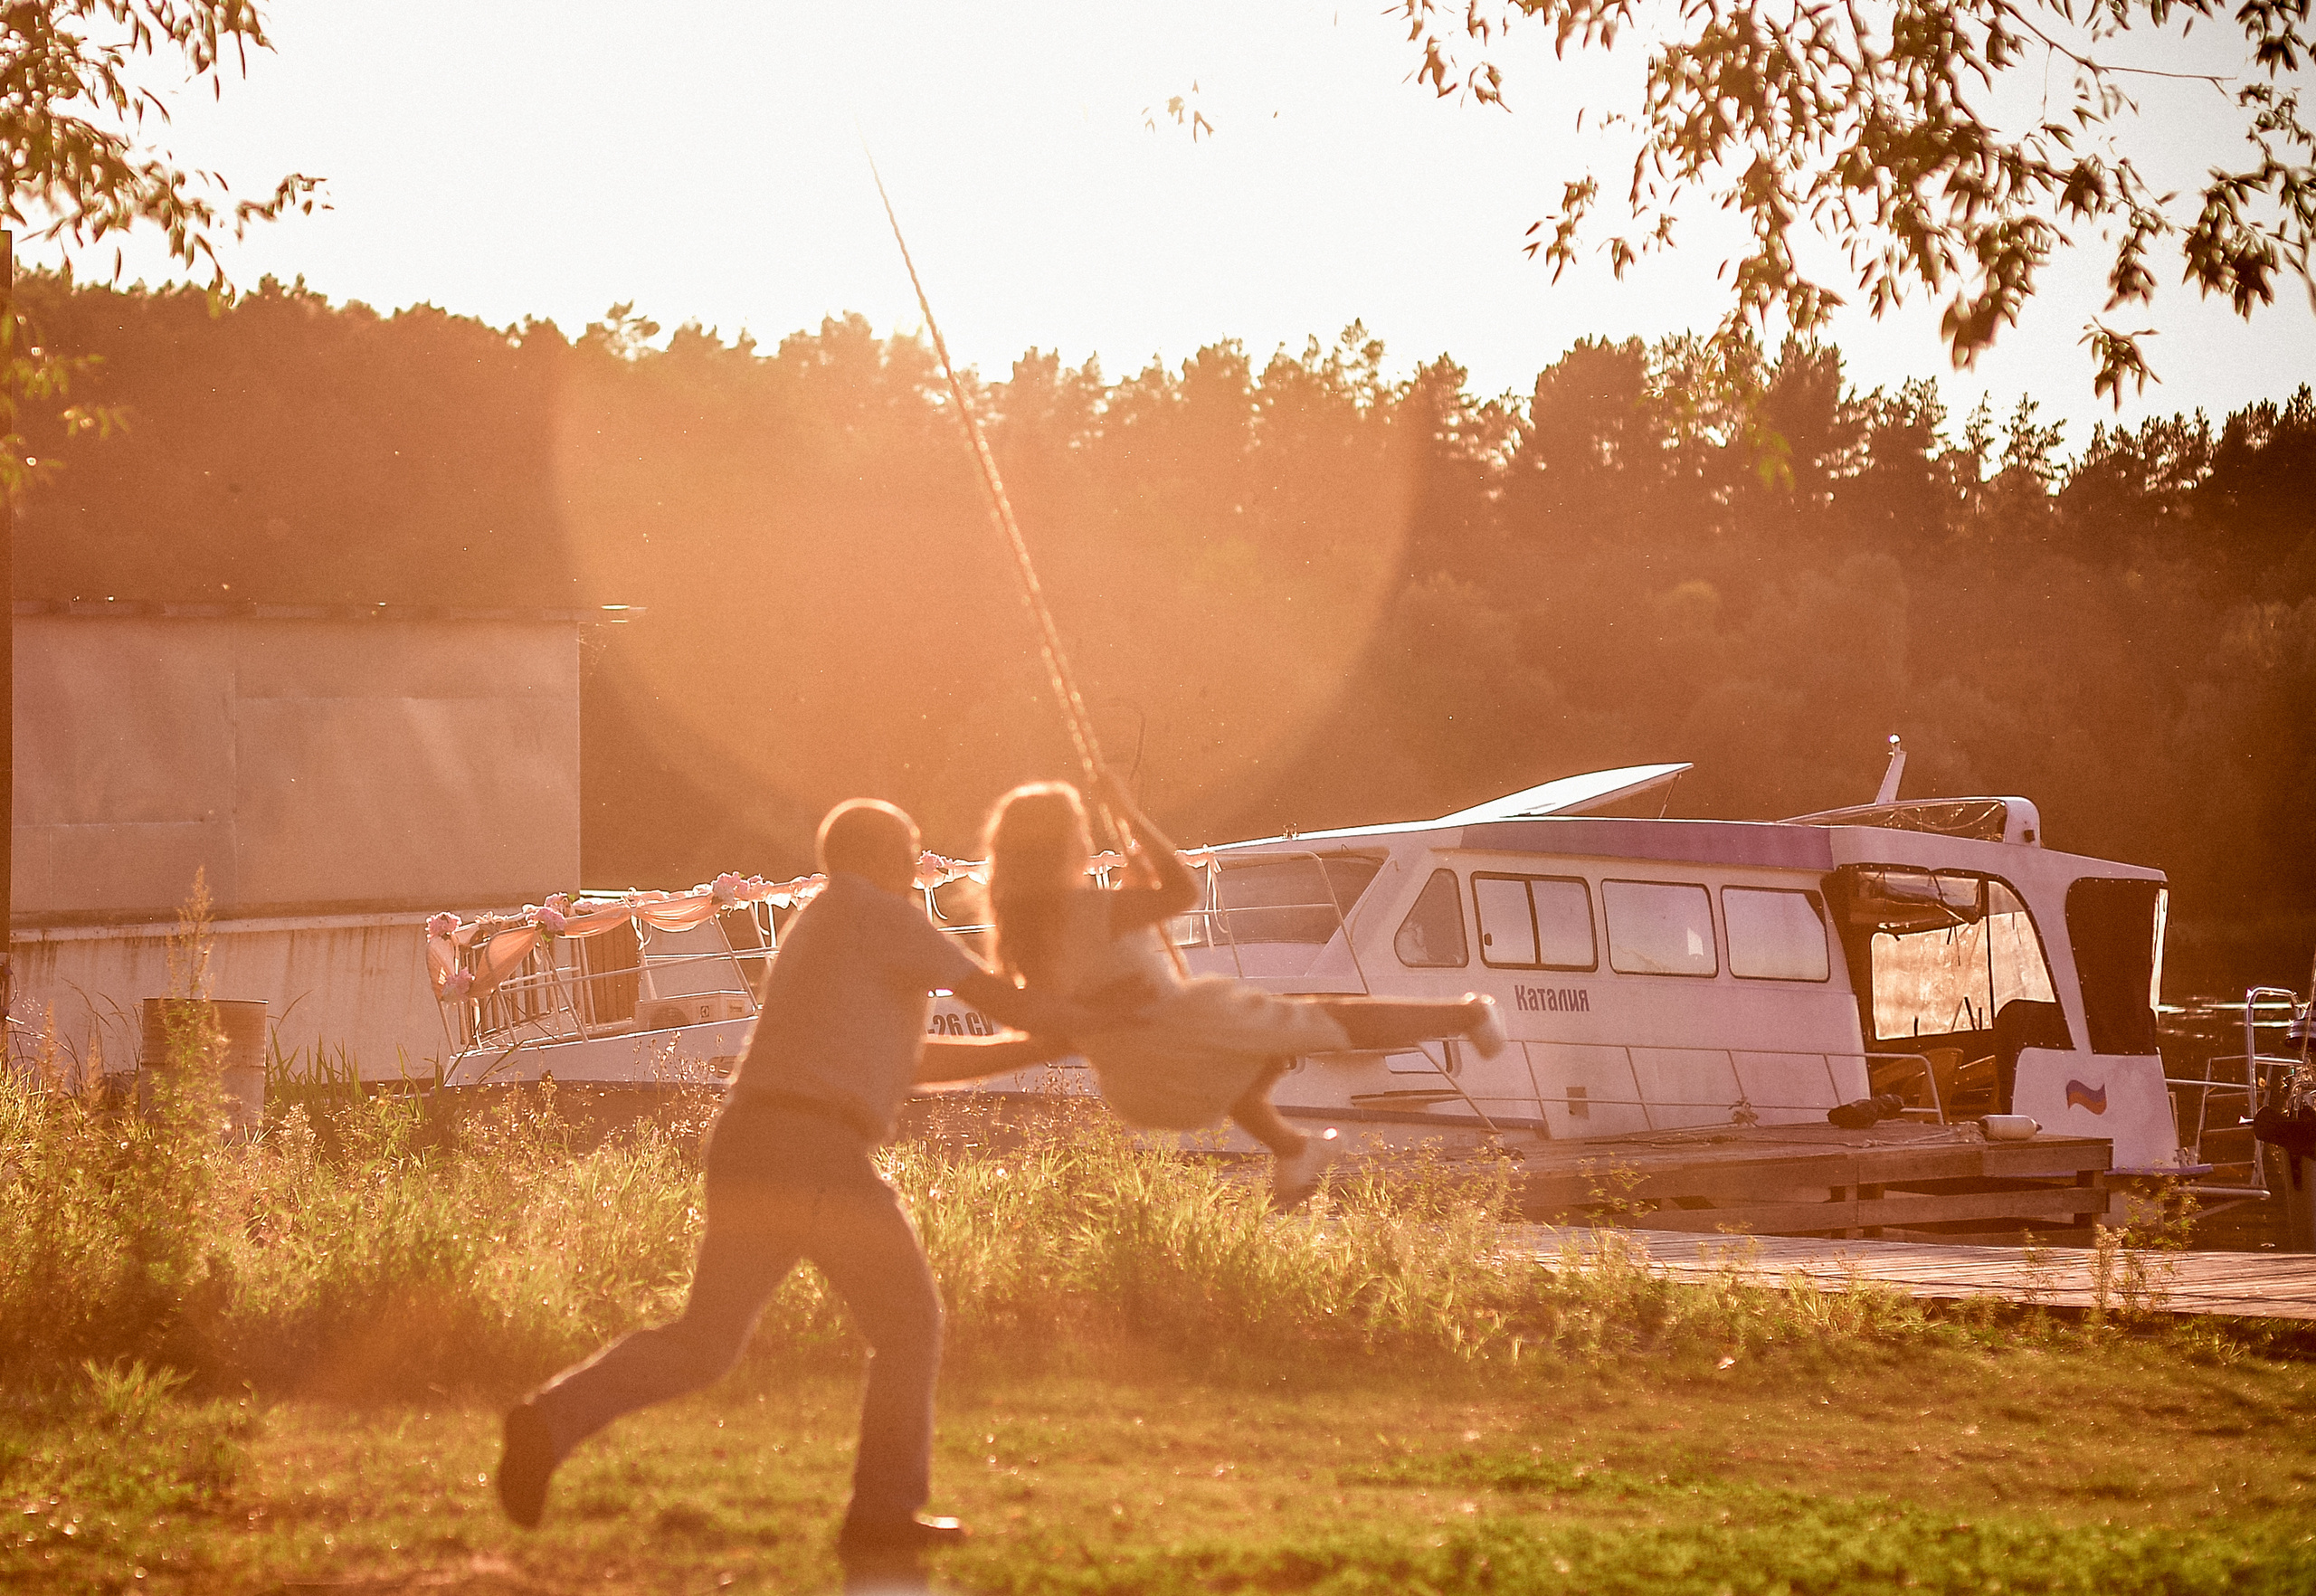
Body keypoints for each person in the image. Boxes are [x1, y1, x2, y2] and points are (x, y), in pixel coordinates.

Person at [496, 798, 1113, 1559]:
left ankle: (549, 1419)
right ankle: (882, 1514)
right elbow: (1003, 1000)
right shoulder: (880, 914)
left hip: (754, 1139)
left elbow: (912, 1062)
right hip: (815, 1147)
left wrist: (1042, 1042)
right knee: (909, 1324)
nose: (914, 862)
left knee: (707, 1342)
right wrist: (1091, 1018)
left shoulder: (822, 926)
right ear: (887, 854)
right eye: (912, 846)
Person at [981, 776, 1506, 1208]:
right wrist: (1132, 816)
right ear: (1061, 848)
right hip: (1179, 1020)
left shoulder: (1025, 935)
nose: (1085, 842)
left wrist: (1123, 910)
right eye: (1078, 832)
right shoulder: (1090, 910)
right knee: (1320, 1020)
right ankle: (1465, 1014)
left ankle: (1292, 1146)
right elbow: (1183, 891)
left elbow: (1071, 981)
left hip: (1137, 1078)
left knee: (1232, 1071)